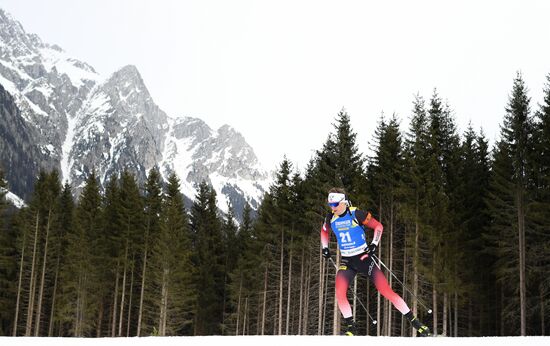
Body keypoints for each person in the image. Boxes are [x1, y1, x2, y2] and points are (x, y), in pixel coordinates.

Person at [321, 187, 432, 336]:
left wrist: (374, 244)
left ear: (343, 202)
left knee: (386, 291)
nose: (332, 208)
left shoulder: (357, 214)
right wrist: (325, 247)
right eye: (330, 205)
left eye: (334, 204)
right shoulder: (330, 218)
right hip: (347, 260)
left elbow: (378, 226)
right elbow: (324, 232)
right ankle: (351, 328)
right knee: (340, 293)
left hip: (364, 258)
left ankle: (416, 323)